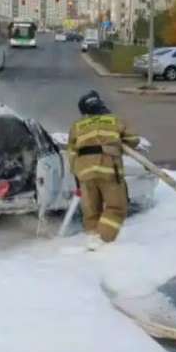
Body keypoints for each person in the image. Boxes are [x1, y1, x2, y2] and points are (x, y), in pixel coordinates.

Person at [67, 90, 140, 250]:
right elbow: (133, 140)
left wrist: (78, 173)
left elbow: (71, 153)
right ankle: (103, 241)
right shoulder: (114, 120)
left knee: (92, 211)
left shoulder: (77, 126)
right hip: (108, 170)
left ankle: (92, 240)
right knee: (116, 208)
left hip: (84, 173)